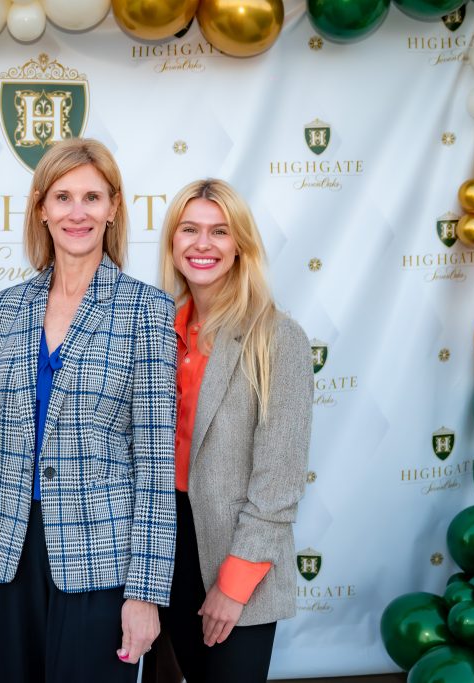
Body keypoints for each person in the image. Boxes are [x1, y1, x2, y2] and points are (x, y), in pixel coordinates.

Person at [0, 138, 177, 683]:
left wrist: (145, 592)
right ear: (41, 207)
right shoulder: (3, 310)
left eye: (93, 197)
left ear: (114, 208)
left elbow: (155, 463)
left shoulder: (146, 310)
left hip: (100, 563)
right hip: (6, 558)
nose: (78, 212)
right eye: (64, 197)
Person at [156, 178, 313, 682]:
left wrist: (234, 583)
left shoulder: (277, 338)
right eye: (190, 230)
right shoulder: (158, 330)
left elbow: (279, 480)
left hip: (238, 555)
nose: (203, 244)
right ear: (172, 242)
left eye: (219, 231)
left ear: (240, 244)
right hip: (167, 547)